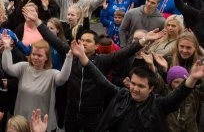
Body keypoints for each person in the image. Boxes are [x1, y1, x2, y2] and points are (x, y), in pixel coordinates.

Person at [71, 39, 204, 132]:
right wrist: (83, 57)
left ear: (151, 88)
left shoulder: (159, 105)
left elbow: (178, 94)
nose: (134, 88)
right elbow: (100, 78)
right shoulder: (122, 95)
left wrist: (192, 78)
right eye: (133, 84)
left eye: (141, 86)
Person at [1, 37, 73, 132]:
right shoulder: (24, 67)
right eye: (33, 54)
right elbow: (7, 68)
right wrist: (7, 48)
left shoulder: (52, 74)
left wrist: (69, 57)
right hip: (21, 121)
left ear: (47, 57)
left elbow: (63, 78)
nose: (35, 57)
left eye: (39, 55)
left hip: (40, 124)